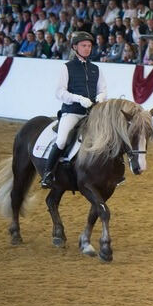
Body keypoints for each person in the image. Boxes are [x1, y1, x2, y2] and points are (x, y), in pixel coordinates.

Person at [41, 31, 107, 188]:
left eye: (89, 46)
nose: (87, 49)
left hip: (92, 114)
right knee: (62, 140)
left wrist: (100, 98)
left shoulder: (96, 69)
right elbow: (59, 92)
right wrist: (78, 98)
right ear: (75, 47)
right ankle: (48, 173)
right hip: (72, 112)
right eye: (84, 46)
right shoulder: (66, 68)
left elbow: (103, 89)